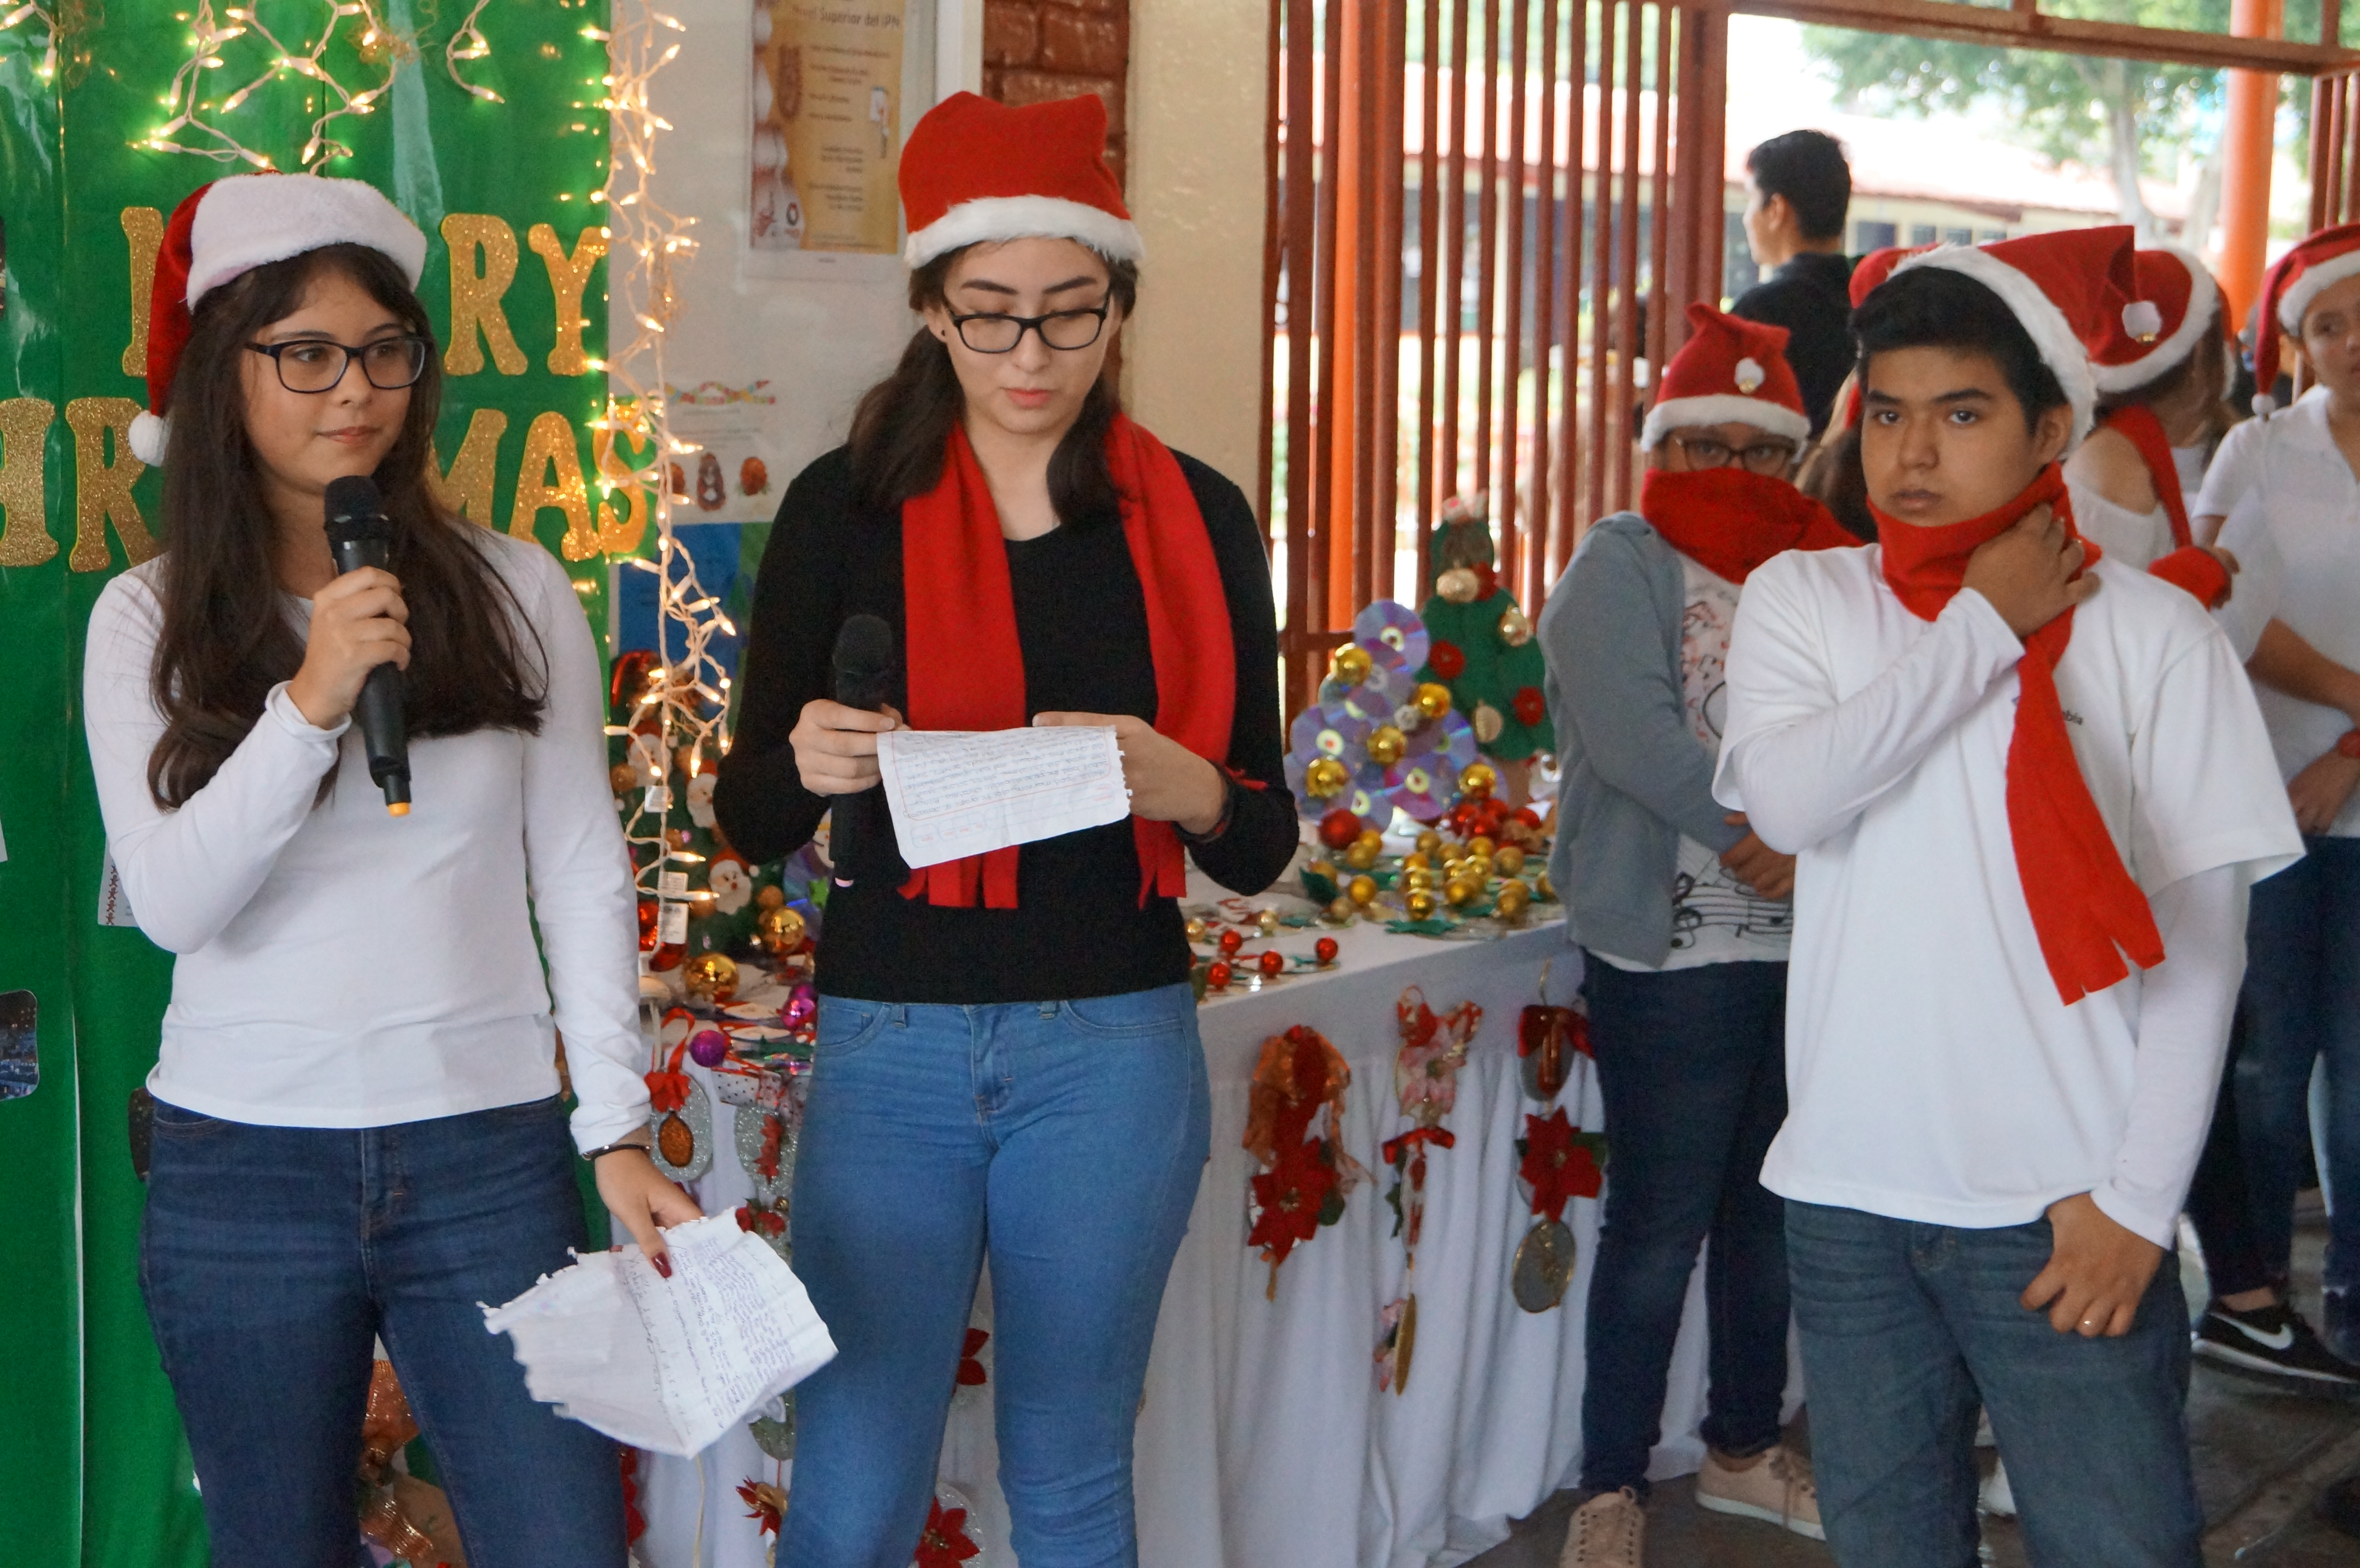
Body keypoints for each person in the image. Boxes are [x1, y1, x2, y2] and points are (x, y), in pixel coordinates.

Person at [711, 92, 1294, 1568]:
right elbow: (745, 807)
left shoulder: (1197, 517)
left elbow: (1259, 840)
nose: (1029, 356)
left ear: (1117, 303)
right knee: (852, 1470)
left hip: (1109, 1039)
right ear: (927, 306)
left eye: (1067, 314)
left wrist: (1193, 786)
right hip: (893, 1031)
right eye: (986, 317)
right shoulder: (843, 510)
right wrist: (810, 759)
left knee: (1070, 1465)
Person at [81, 175, 692, 1568]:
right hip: (242, 1168)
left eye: (384, 351)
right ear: (226, 372)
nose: (352, 389)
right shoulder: (145, 620)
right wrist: (310, 701)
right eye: (304, 353)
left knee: (559, 1541)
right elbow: (177, 904)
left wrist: (614, 1125)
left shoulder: (514, 585)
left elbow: (583, 872)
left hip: (485, 1156)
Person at [1716, 227, 2300, 1564]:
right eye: (1890, 417)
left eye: (1962, 415)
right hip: (1854, 1201)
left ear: (2050, 431)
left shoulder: (2154, 632)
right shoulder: (1806, 601)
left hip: (2064, 1208)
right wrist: (1983, 626)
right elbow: (1797, 808)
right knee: (1892, 1545)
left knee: (2120, 1545)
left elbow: (2205, 947)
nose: (1913, 457)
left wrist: (2141, 1204)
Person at [1542, 305, 1856, 1568]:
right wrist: (1758, 823)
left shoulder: (1826, 566)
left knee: (1767, 1217)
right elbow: (1632, 732)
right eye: (1704, 443)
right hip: (1671, 956)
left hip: (1804, 945)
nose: (1731, 468)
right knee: (1659, 1225)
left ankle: (1737, 1452)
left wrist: (1807, 825)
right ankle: (1612, 1482)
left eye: (1756, 447)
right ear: (1663, 449)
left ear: (1791, 459)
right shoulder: (1620, 558)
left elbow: (1872, 721)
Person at [2183, 223, 2360, 1367]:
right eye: (2328, 324)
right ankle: (2248, 1300)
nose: (2351, 343)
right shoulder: (2256, 450)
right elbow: (2207, 605)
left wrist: (2351, 746)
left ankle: (2349, 1303)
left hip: (2334, 783)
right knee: (2262, 1060)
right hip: (2271, 805)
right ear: (2293, 342)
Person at [1732, 130, 1856, 438]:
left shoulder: (1760, 313)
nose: (1746, 218)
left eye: (1751, 199)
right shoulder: (1875, 300)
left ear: (1776, 209)